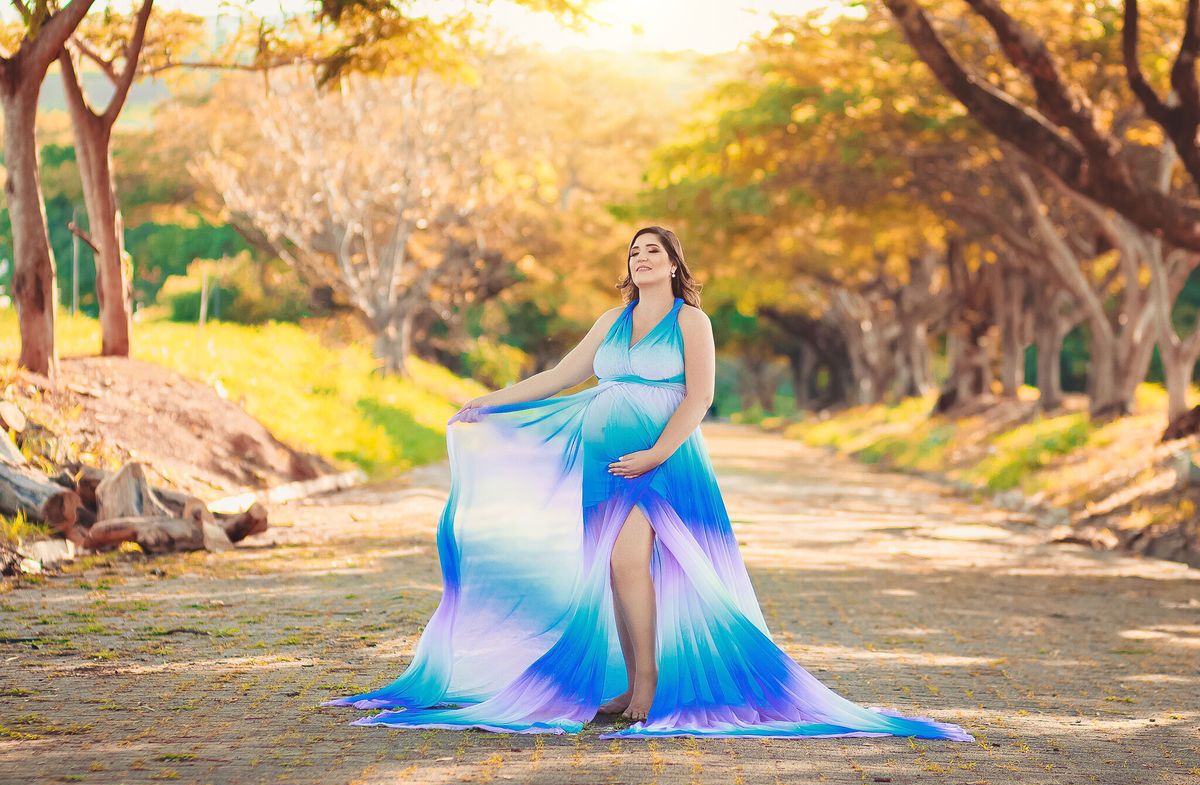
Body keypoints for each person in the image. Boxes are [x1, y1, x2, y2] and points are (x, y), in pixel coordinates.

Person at [324, 226, 972, 742]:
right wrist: (489, 403)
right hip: (604, 459)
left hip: (663, 459)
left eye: (652, 251)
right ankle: (633, 683)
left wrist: (656, 453)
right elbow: (558, 377)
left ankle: (650, 684)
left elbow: (701, 396)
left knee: (629, 560)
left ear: (673, 263)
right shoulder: (611, 321)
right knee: (611, 568)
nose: (641, 260)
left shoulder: (693, 321)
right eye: (634, 252)